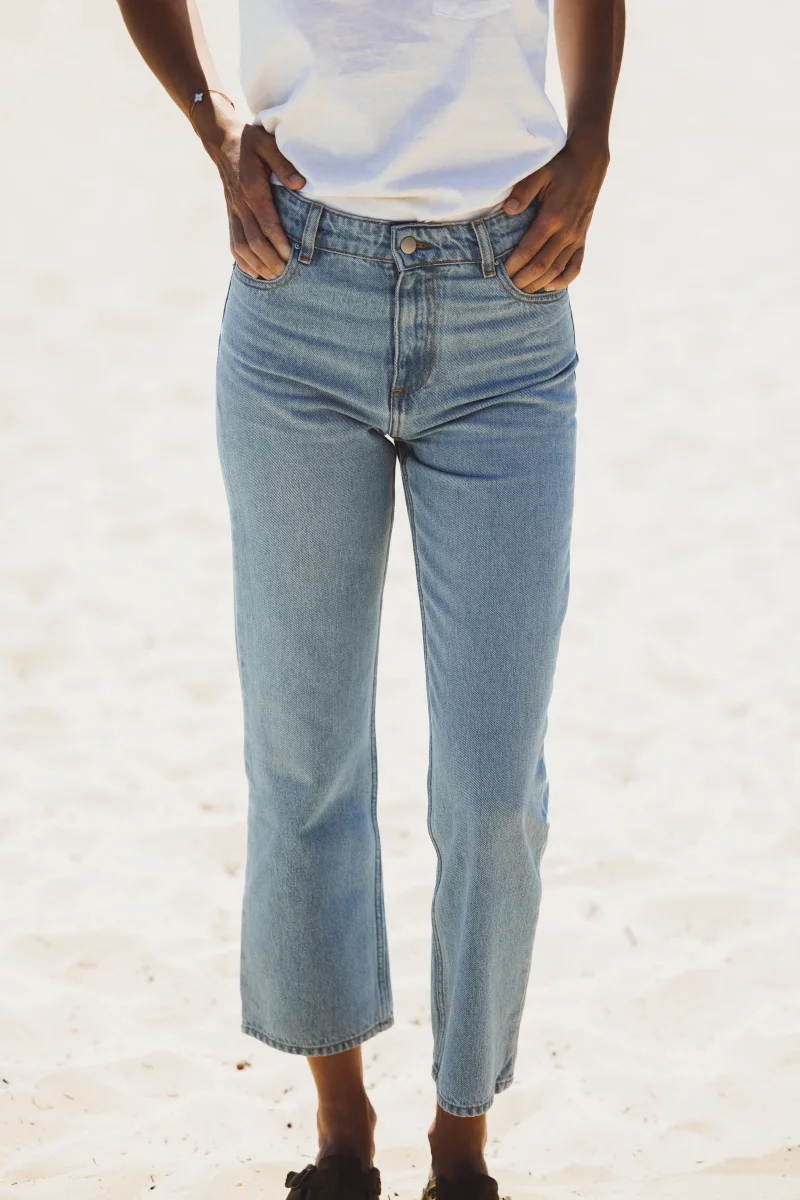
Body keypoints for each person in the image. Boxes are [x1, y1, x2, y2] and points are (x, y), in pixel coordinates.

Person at [116, 1, 624, 1196]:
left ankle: (461, 1138)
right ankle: (341, 1133)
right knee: (303, 761)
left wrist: (591, 140)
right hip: (297, 294)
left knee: (493, 790)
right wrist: (213, 121)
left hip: (506, 304)